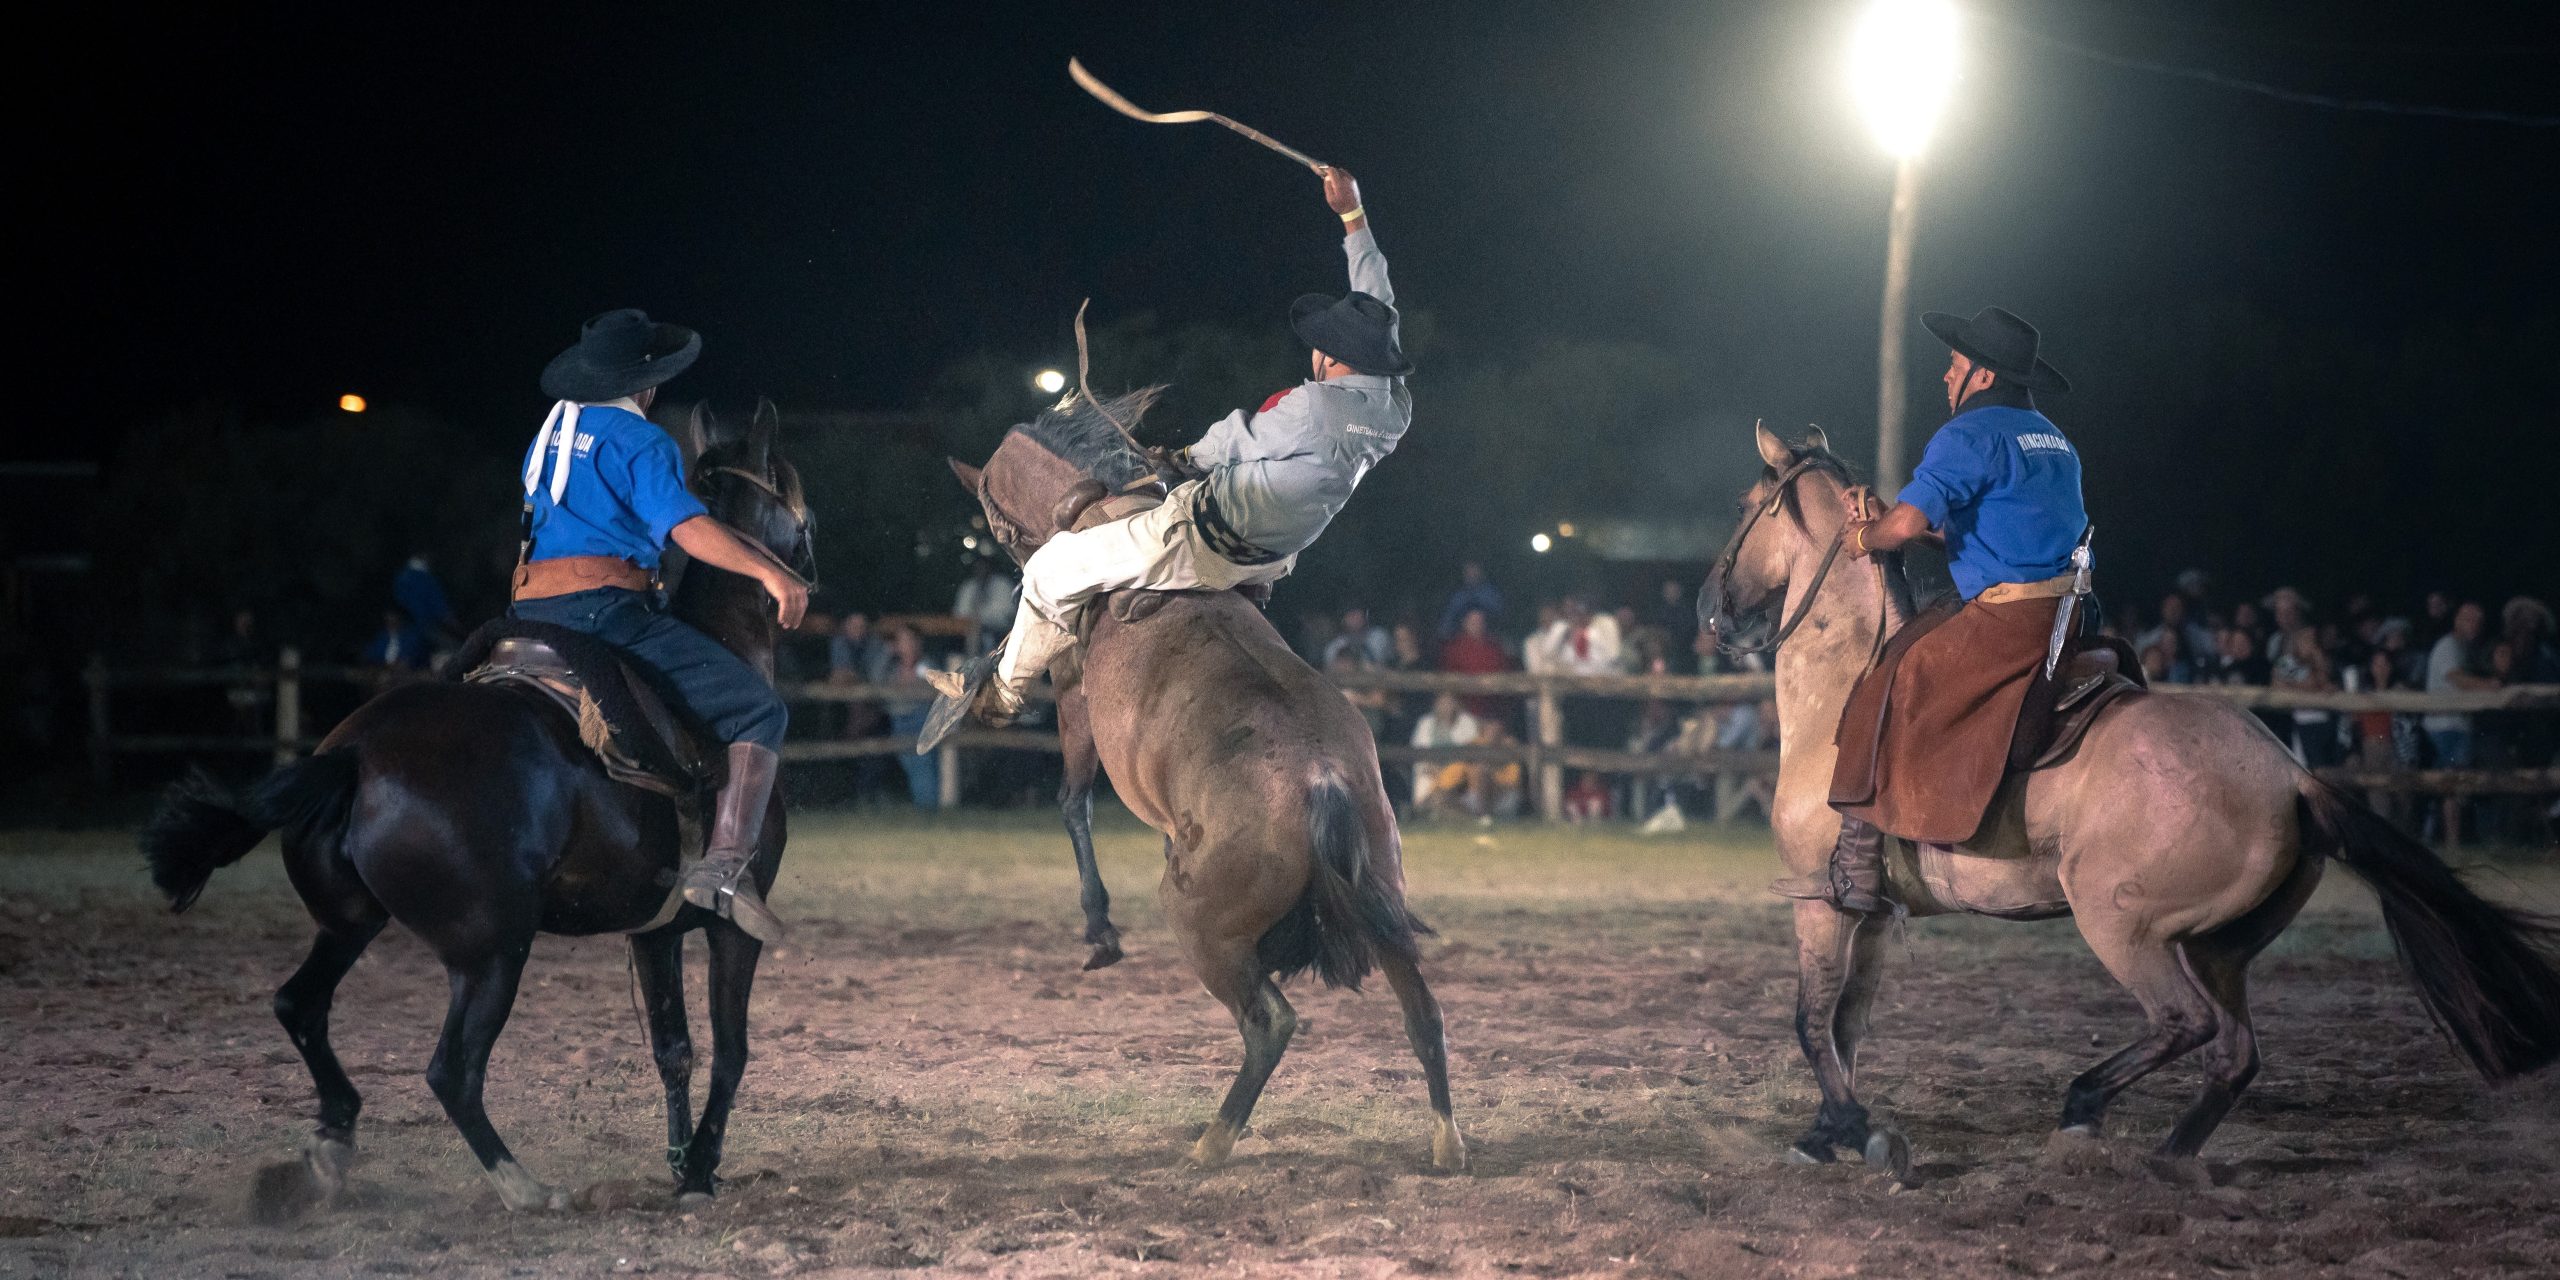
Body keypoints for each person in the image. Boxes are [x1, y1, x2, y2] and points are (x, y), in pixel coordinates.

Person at [938, 165, 1409, 727]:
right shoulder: (1392, 403)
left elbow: (1236, 440)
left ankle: (1002, 696)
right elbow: (1376, 298)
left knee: (1050, 569)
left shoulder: (1314, 408)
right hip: (1280, 553)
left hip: (1212, 538)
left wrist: (1183, 457)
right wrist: (1351, 214)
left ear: (1331, 356)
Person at [506, 309, 808, 942]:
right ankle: (725, 868)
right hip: (604, 613)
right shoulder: (640, 439)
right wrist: (774, 575)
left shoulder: (551, 433)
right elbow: (689, 532)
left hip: (529, 610)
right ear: (644, 384)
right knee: (760, 713)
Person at [1790, 306, 2086, 915]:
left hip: (2006, 621)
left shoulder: (1966, 435)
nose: (1945, 376)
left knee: (1884, 682)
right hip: (2070, 614)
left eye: (1954, 365)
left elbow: (1902, 525)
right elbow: (1989, 536)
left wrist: (1865, 538)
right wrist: (1900, 527)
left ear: (1981, 376)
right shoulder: (2055, 440)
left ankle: (1857, 865)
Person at [2422, 602, 2495, 844]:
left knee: (2454, 782)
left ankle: (2449, 837)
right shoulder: (2449, 645)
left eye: (2478, 620)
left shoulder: (2462, 649)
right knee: (2451, 782)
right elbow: (2455, 678)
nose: (2474, 625)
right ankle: (2451, 840)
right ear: (2457, 620)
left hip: (2455, 725)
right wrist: (2489, 686)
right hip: (2446, 726)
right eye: (2469, 619)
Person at [1408, 692, 1481, 808]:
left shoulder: (1467, 723)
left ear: (1457, 704)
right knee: (1425, 785)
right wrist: (1433, 769)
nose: (1445, 706)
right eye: (1442, 702)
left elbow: (1472, 752)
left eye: (1449, 702)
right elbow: (1417, 752)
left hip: (1460, 775)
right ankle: (1427, 807)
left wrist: (1450, 772)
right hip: (1430, 770)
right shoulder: (1425, 723)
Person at [951, 560, 1018, 655]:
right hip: (968, 632)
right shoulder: (968, 586)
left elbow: (1007, 613)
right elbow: (959, 613)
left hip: (999, 631)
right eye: (977, 567)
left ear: (990, 567)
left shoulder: (1003, 584)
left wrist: (981, 618)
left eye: (984, 566)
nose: (981, 570)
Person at [1436, 561, 1504, 639]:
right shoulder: (1458, 596)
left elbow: (1499, 617)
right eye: (1467, 570)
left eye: (1473, 569)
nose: (1471, 574)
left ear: (1480, 571)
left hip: (1488, 637)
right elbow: (1446, 622)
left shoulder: (1491, 593)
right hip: (1463, 639)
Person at [362, 606, 432, 674]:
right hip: (382, 674)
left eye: (394, 620)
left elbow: (408, 662)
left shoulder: (412, 637)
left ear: (401, 620)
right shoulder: (382, 636)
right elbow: (369, 656)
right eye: (387, 620)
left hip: (409, 677)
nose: (390, 623)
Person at [1322, 606, 1393, 670]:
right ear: (1343, 619)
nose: (1355, 618)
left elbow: (1392, 663)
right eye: (1351, 615)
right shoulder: (1334, 647)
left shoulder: (1380, 637)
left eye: (1358, 614)